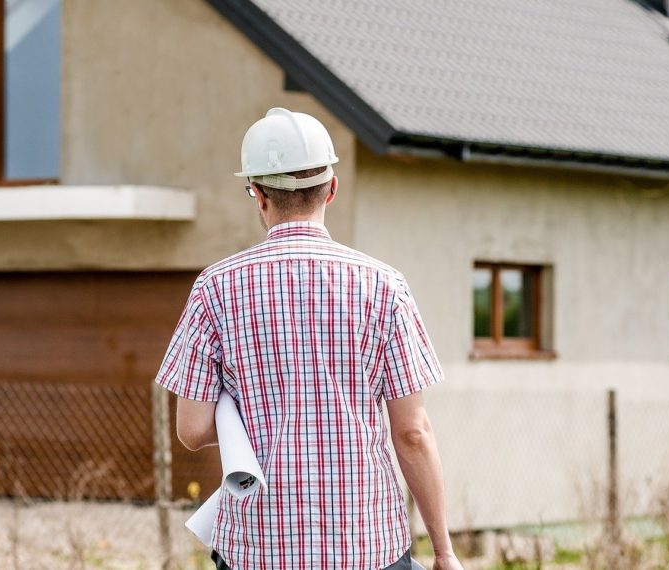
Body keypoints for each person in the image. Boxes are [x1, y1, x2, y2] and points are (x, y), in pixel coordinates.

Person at [155, 108, 462, 570]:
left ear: (257, 194)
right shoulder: (384, 286)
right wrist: (443, 551)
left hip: (258, 550)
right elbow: (413, 433)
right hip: (368, 546)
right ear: (331, 188)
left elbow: (192, 430)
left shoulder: (214, 288)